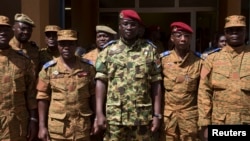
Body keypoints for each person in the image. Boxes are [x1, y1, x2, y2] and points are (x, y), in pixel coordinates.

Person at [94, 9, 163, 141]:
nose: (129, 27)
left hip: (142, 118)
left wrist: (157, 114)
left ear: (138, 27)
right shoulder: (108, 51)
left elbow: (156, 83)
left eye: (133, 24)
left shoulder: (150, 50)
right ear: (119, 26)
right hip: (115, 118)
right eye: (125, 24)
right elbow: (101, 83)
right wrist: (99, 113)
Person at [36, 29, 96, 141]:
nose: (66, 47)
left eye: (71, 44)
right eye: (62, 44)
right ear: (58, 45)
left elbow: (94, 94)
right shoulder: (48, 69)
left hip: (82, 127)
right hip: (57, 130)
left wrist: (97, 118)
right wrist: (42, 126)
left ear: (77, 45)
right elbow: (42, 97)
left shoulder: (88, 68)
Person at [198, 15, 250, 141]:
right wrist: (205, 125)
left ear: (245, 32)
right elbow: (204, 92)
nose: (234, 33)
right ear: (225, 33)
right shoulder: (211, 59)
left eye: (239, 30)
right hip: (220, 122)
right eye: (230, 30)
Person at [159, 22, 202, 141]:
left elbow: (204, 92)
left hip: (190, 118)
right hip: (168, 117)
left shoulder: (200, 61)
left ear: (191, 39)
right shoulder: (162, 60)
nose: (183, 39)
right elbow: (156, 89)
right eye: (179, 35)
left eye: (187, 36)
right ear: (172, 38)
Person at [0, 15, 38, 141]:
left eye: (5, 29)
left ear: (11, 31)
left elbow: (31, 93)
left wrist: (33, 119)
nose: (2, 33)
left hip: (17, 123)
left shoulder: (23, 60)